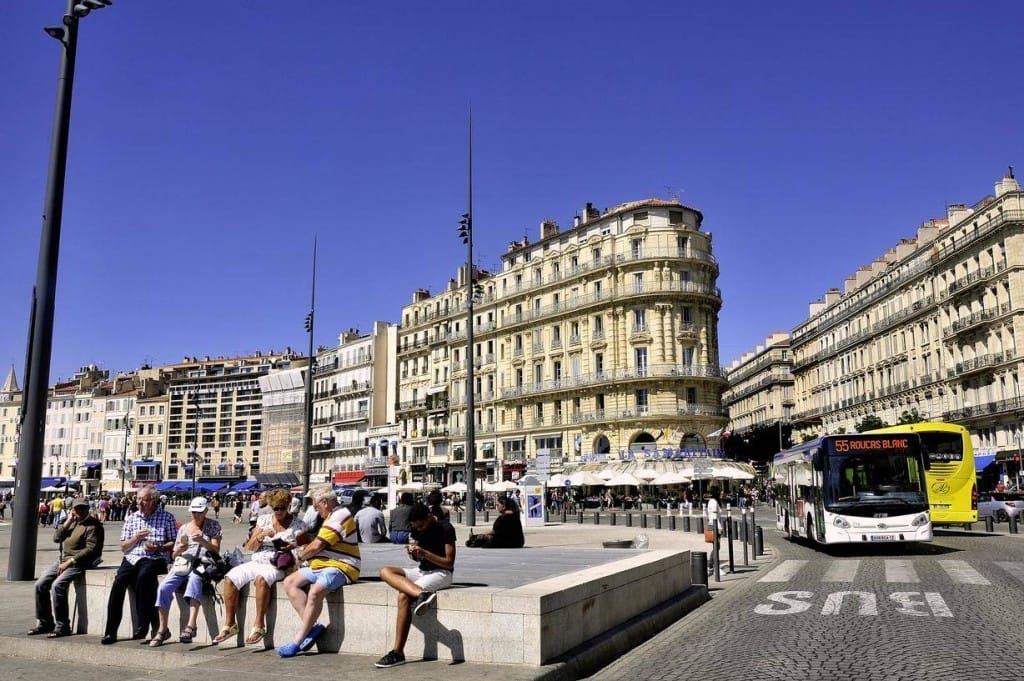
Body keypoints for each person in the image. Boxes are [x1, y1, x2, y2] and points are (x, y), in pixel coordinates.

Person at [214, 488, 307, 646]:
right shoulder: (263, 520)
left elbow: (304, 548)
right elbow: (250, 547)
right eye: (275, 508)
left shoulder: (298, 525)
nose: (278, 512)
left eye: (282, 508)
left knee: (261, 579)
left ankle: (259, 625)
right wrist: (261, 536)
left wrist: (289, 547)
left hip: (278, 564)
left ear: (288, 506)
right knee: (230, 578)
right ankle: (230, 624)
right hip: (257, 560)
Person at [277, 483, 360, 658]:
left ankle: (297, 641)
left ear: (324, 502)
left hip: (342, 565)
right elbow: (320, 541)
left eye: (314, 503)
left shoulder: (341, 515)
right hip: (322, 563)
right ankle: (313, 627)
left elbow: (318, 545)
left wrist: (300, 556)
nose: (313, 508)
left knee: (316, 591)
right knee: (290, 582)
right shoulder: (331, 516)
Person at [375, 502, 457, 668]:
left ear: (428, 518)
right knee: (385, 571)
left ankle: (397, 652)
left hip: (441, 573)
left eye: (420, 526)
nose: (418, 529)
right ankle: (422, 594)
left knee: (403, 596)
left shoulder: (445, 528)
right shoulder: (417, 529)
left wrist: (424, 553)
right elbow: (419, 559)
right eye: (415, 527)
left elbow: (448, 563)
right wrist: (413, 554)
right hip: (422, 571)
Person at [101, 485, 178, 645]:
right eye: (138, 499)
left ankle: (143, 625)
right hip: (132, 557)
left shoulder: (167, 517)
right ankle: (110, 631)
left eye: (145, 500)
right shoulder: (131, 518)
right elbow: (123, 546)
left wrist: (160, 547)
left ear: (154, 501)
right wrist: (135, 538)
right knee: (119, 583)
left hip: (155, 558)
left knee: (144, 578)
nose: (140, 503)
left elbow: (174, 542)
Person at [149, 497, 222, 646]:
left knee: (195, 579)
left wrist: (203, 541)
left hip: (203, 563)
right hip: (183, 563)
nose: (196, 515)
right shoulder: (184, 528)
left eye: (199, 512)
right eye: (194, 512)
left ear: (206, 511)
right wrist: (179, 550)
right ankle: (163, 630)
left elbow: (216, 550)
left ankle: (191, 625)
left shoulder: (214, 526)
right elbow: (174, 555)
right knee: (163, 588)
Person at [29, 497, 104, 638]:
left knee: (58, 585)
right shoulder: (71, 523)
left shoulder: (94, 526)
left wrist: (70, 562)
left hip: (81, 562)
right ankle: (45, 623)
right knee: (39, 584)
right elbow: (56, 538)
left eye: (83, 508)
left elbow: (91, 549)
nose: (80, 511)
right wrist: (68, 521)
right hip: (63, 560)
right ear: (72, 510)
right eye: (77, 508)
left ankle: (63, 626)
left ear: (88, 509)